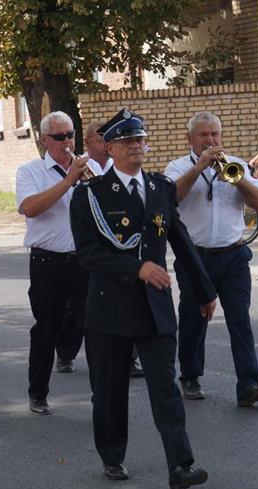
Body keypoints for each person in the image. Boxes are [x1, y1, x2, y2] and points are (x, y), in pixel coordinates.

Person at [70, 108, 216, 489]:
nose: (136, 146)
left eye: (140, 139)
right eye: (127, 141)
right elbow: (87, 254)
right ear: (110, 148)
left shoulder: (160, 188)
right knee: (111, 389)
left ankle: (180, 466)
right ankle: (113, 455)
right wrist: (135, 269)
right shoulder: (90, 195)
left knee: (165, 387)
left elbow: (180, 241)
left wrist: (204, 290)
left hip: (155, 305)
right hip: (111, 307)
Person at [164, 111, 258, 406]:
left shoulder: (235, 165)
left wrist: (237, 180)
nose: (211, 140)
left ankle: (248, 385)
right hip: (194, 258)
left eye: (215, 135)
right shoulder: (176, 167)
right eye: (204, 135)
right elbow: (172, 197)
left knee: (239, 318)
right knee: (193, 318)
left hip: (234, 255)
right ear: (190, 139)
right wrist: (199, 168)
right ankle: (190, 375)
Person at [15, 111, 98, 415]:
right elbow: (31, 208)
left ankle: (101, 395)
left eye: (71, 135)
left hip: (84, 261)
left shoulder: (91, 170)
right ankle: (38, 393)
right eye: (60, 137)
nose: (67, 142)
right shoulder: (30, 171)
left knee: (94, 326)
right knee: (45, 329)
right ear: (45, 140)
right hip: (47, 262)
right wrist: (68, 180)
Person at [84, 121, 142, 377]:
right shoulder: (87, 180)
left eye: (139, 140)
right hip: (103, 264)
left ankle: (132, 358)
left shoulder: (153, 185)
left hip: (139, 270)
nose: (135, 146)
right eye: (99, 139)